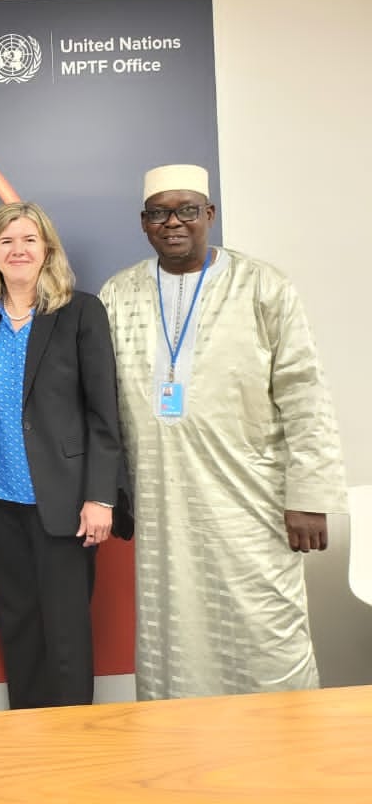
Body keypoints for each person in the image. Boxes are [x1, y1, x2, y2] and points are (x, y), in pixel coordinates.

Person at [100, 164, 347, 700]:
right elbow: (101, 407)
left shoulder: (263, 285)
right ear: (144, 224)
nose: (174, 223)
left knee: (264, 628)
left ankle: (285, 744)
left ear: (209, 215)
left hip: (250, 495)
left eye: (187, 210)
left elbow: (304, 391)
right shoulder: (118, 294)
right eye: (159, 213)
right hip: (162, 498)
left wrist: (308, 495)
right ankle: (185, 754)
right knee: (174, 628)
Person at [0, 203, 128, 709]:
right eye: (6, 241)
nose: (18, 250)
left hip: (65, 505)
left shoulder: (80, 312)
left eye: (29, 240)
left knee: (65, 633)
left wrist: (101, 497)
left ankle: (73, 745)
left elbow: (105, 414)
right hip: (1, 505)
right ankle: (27, 738)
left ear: (47, 250)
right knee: (19, 627)